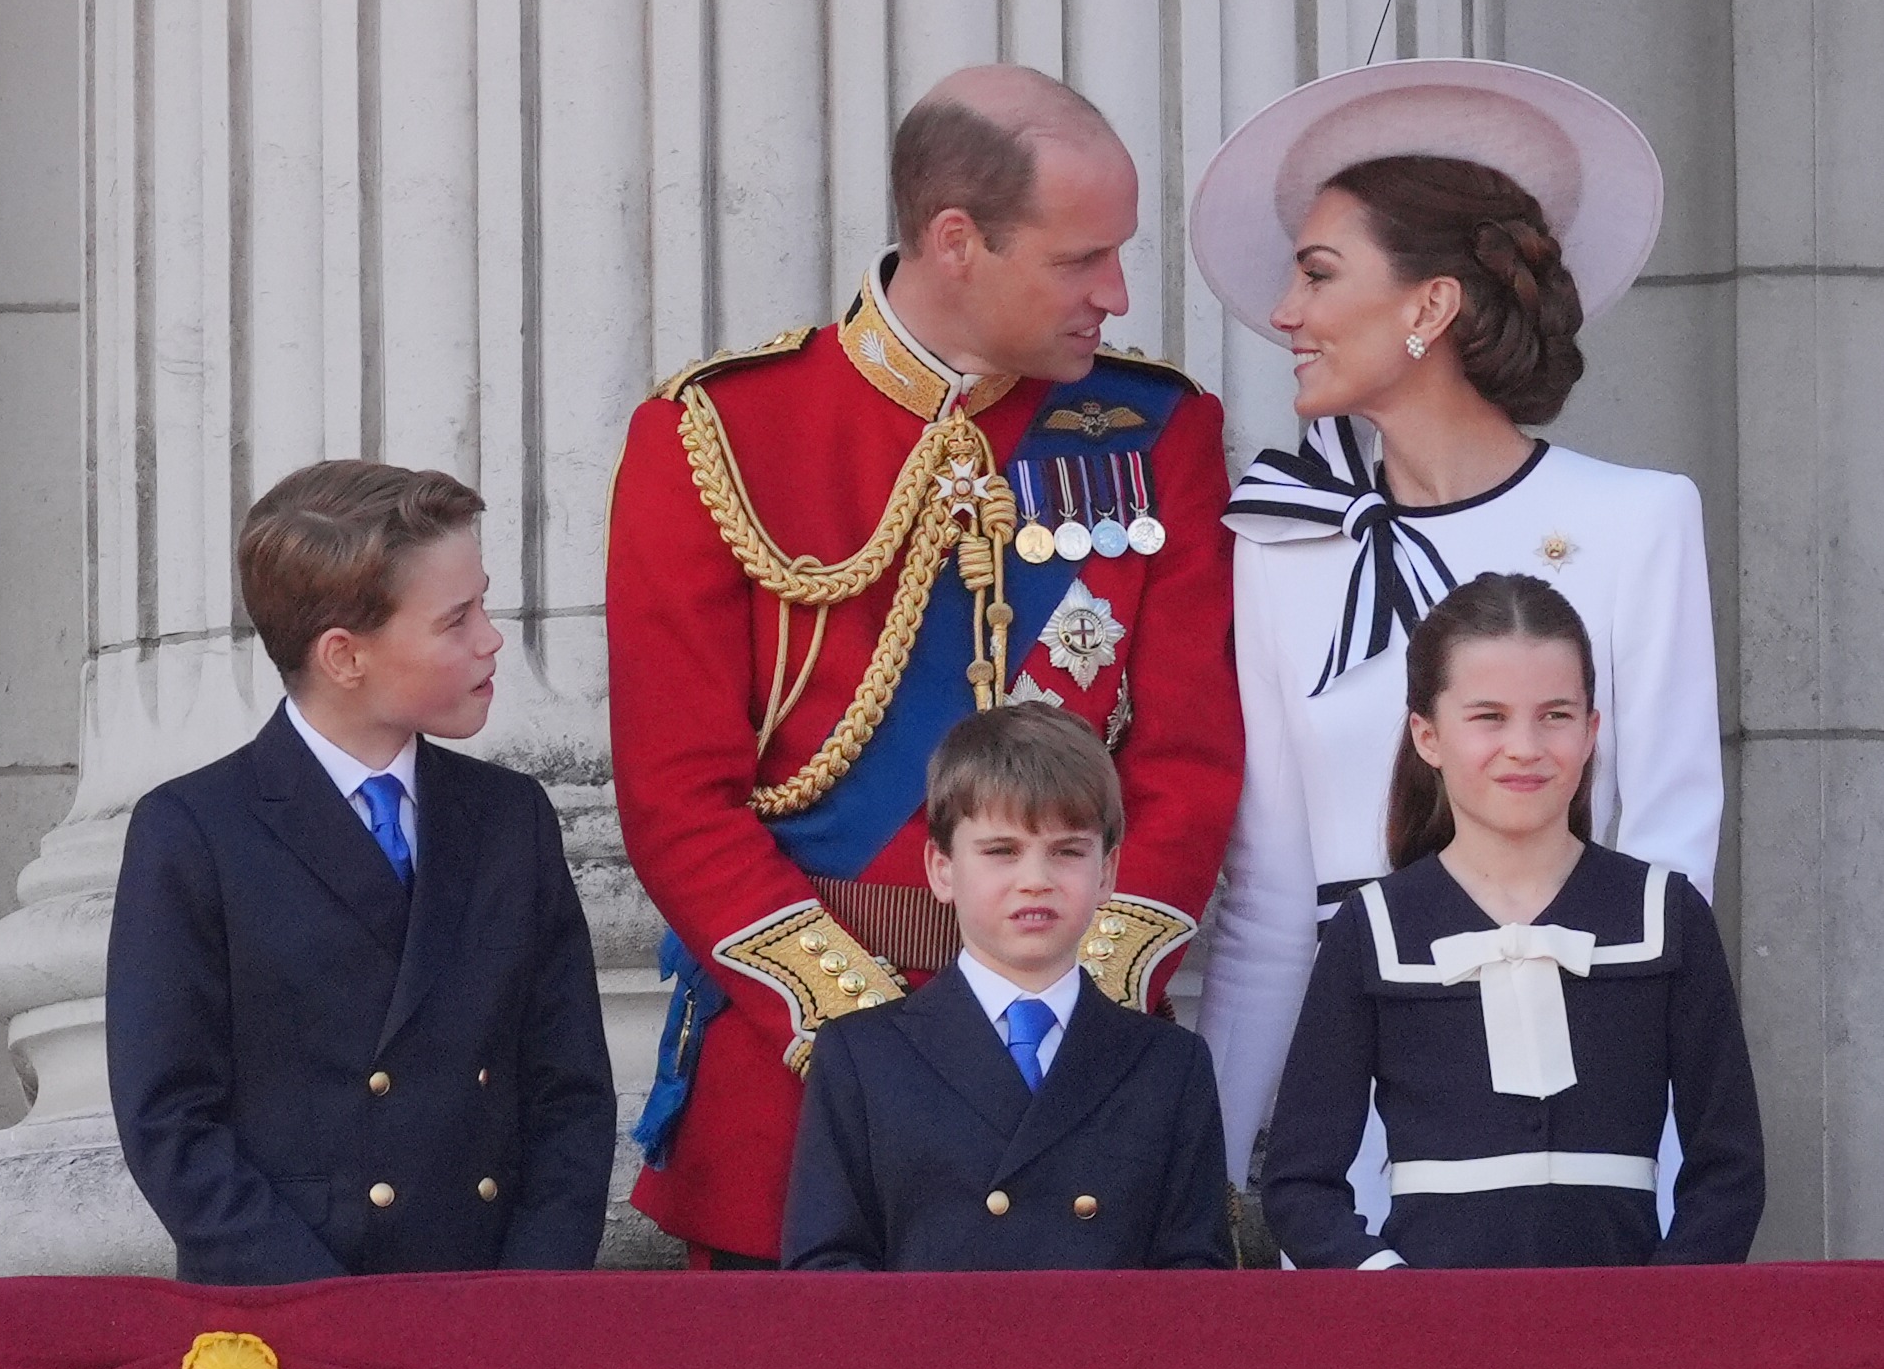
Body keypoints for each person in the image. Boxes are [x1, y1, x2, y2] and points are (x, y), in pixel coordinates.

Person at [607, 64, 1241, 1266]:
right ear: (958, 241)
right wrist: (875, 1046)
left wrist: (1071, 1008)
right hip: (804, 1091)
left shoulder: (1160, 431)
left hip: (1080, 1089)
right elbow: (675, 801)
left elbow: (1190, 768)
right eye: (1079, 259)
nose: (1115, 292)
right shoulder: (719, 433)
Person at [1186, 59, 1723, 1221]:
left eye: (1319, 275)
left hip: (1579, 1112)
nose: (1286, 312)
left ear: (1429, 307)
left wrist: (1666, 1162)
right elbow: (1274, 901)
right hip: (1355, 1129)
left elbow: (1672, 864)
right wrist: (1208, 1180)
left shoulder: (1639, 521)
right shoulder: (1282, 544)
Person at [107, 462, 617, 1285]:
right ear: (344, 655)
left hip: (490, 1309)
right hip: (290, 1321)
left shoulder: (509, 818)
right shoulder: (196, 830)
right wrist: (322, 1312)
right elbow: (170, 1121)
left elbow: (569, 1093)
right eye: (456, 619)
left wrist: (531, 1295)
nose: (491, 637)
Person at [1262, 574, 1762, 1267]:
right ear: (1427, 735)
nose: (1524, 746)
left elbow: (1729, 1169)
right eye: (1488, 717)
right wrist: (1388, 1289)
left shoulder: (1664, 914)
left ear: (1590, 731)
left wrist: (1664, 1307)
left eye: (1554, 715)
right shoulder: (1371, 927)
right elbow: (1298, 1184)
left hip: (1628, 1339)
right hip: (1433, 1338)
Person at [781, 703, 1234, 1270]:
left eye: (1067, 851)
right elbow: (827, 1275)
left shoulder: (1169, 1065)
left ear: (1108, 873)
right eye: (1001, 852)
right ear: (941, 869)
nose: (1035, 881)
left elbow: (1194, 1283)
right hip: (927, 1356)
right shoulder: (863, 1057)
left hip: (1108, 1358)